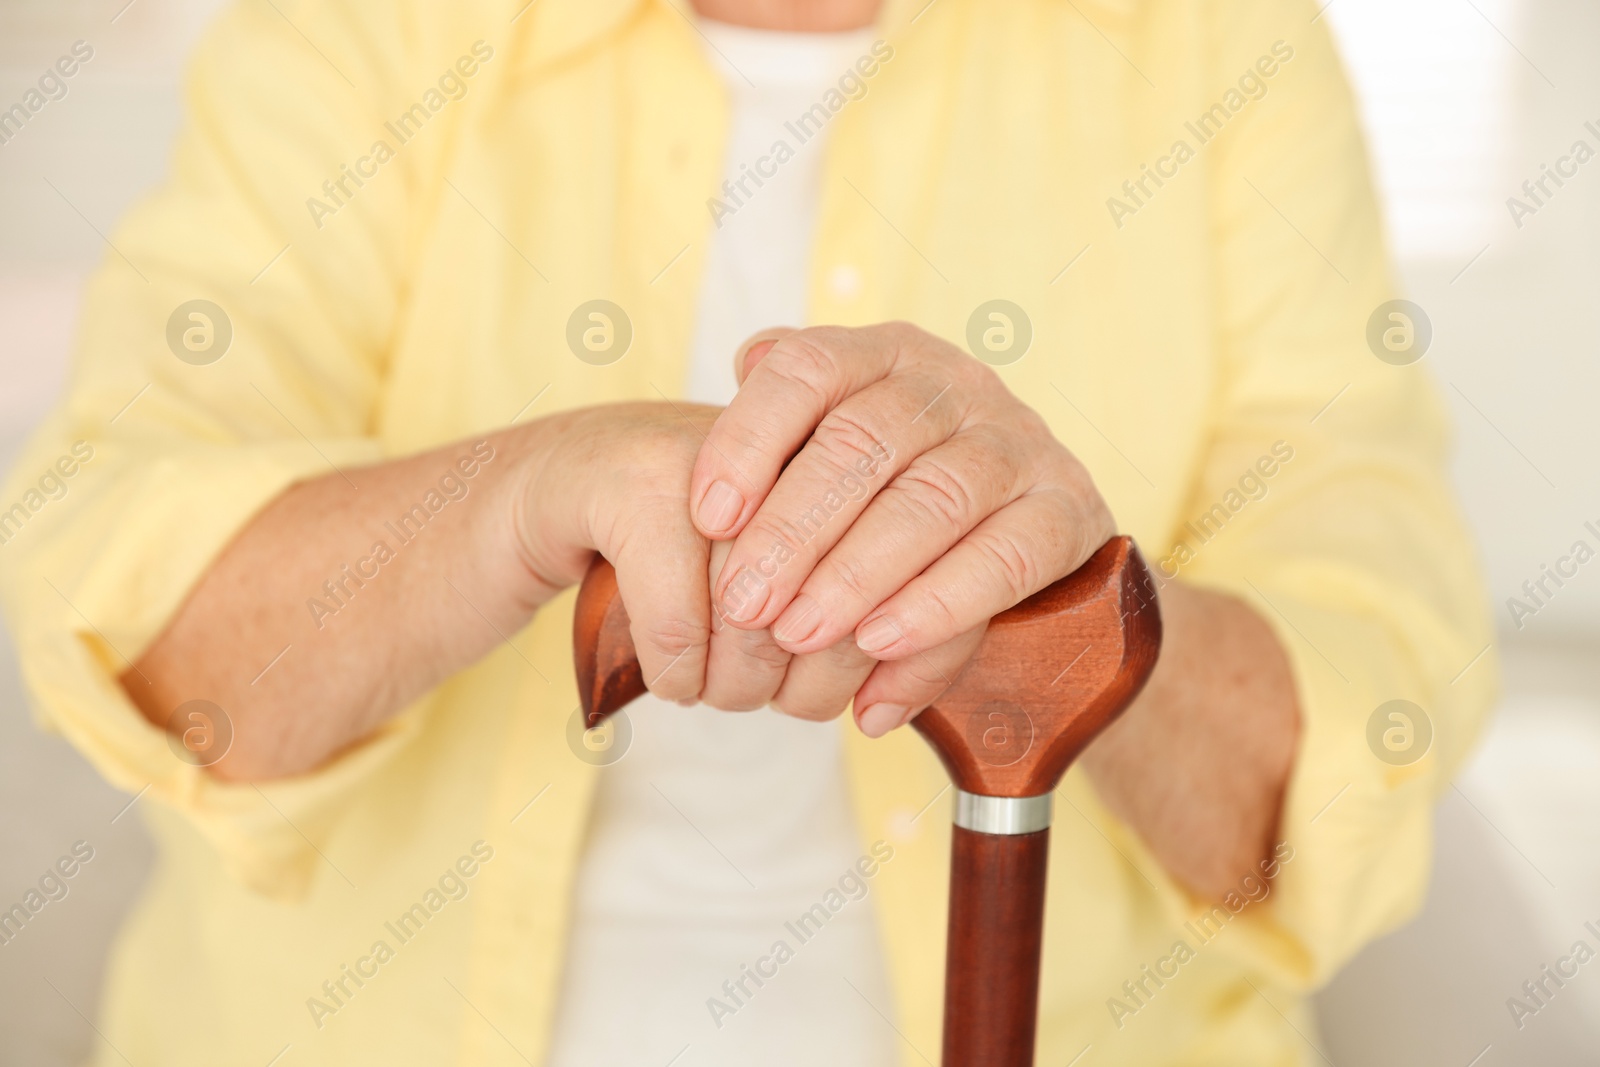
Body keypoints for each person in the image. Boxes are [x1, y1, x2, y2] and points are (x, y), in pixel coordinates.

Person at [0, 0, 1495, 1063]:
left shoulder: (1222, 44)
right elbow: (141, 631)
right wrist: (518, 502)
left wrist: (1066, 606)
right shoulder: (358, 28)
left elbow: (1359, 766)